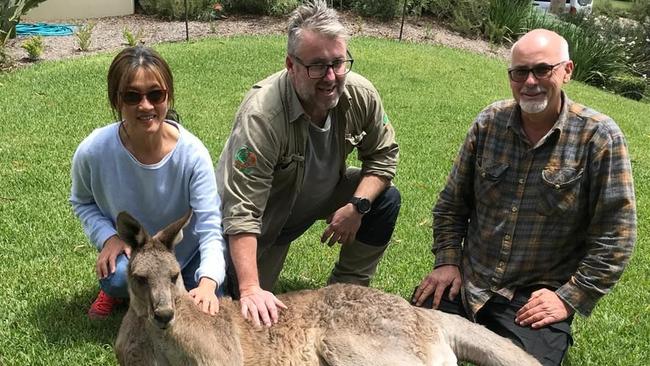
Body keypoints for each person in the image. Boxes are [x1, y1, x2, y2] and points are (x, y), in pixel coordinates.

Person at [412, 28, 636, 365]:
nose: (529, 81)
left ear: (567, 71)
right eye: (520, 72)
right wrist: (446, 261)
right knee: (397, 341)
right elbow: (451, 205)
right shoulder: (488, 123)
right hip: (467, 284)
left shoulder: (599, 137)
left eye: (542, 70)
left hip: (530, 302)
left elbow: (617, 235)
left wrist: (569, 298)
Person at [217, 0, 400, 328]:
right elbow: (241, 212)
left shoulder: (360, 94)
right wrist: (249, 288)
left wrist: (357, 206)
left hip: (319, 194)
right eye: (317, 66)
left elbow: (383, 157)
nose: (330, 77)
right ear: (291, 64)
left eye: (338, 63)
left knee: (384, 199)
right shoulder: (262, 116)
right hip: (262, 222)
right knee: (238, 315)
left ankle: (347, 293)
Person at [70, 45, 227, 320]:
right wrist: (108, 236)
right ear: (117, 100)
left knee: (213, 296)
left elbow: (211, 226)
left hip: (182, 256)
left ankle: (175, 282)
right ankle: (119, 290)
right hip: (133, 252)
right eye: (132, 96)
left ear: (168, 97)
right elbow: (82, 202)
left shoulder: (192, 154)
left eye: (155, 94)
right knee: (118, 278)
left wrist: (208, 283)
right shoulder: (93, 150)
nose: (146, 105)